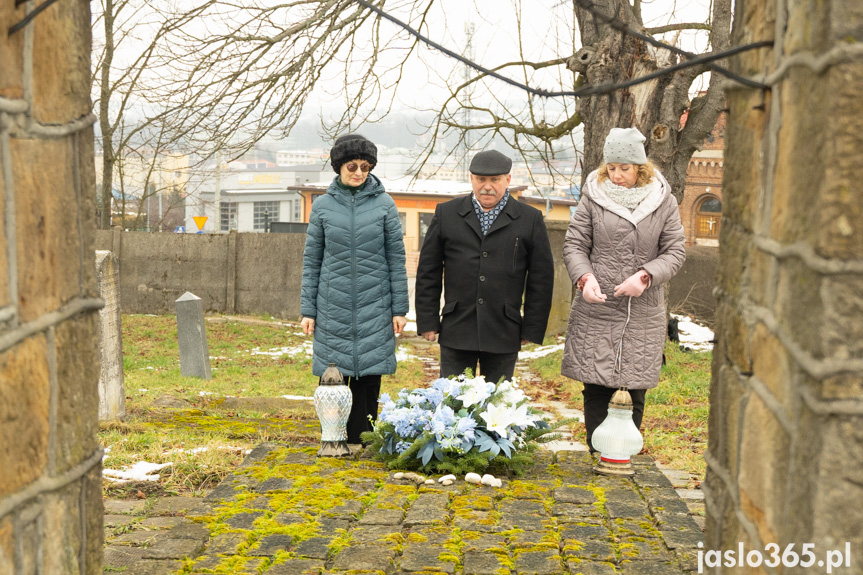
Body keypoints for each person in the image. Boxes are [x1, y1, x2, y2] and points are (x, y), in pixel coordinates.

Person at [561, 127, 686, 452]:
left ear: (640, 168)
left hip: (642, 311)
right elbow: (574, 245)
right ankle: (597, 453)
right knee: (597, 385)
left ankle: (621, 455)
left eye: (625, 168)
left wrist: (645, 276)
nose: (617, 175)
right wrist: (584, 279)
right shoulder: (593, 197)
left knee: (634, 387)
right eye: (612, 168)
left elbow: (675, 251)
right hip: (598, 306)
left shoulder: (664, 201)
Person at [300, 134, 409, 444]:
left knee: (369, 372)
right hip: (331, 304)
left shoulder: (385, 204)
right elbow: (312, 261)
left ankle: (363, 437)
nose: (359, 173)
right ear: (339, 167)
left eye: (365, 166)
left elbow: (395, 259)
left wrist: (399, 309)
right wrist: (308, 310)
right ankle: (333, 437)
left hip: (376, 302)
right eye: (352, 166)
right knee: (333, 375)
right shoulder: (321, 207)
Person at [415, 149, 555, 384]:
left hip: (504, 329)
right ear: (471, 179)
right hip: (457, 328)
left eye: (495, 180)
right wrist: (428, 321)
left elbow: (541, 278)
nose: (487, 186)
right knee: (452, 406)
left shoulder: (529, 219)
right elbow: (428, 271)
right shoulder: (447, 213)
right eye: (481, 179)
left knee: (498, 408)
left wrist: (532, 328)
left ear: (507, 180)